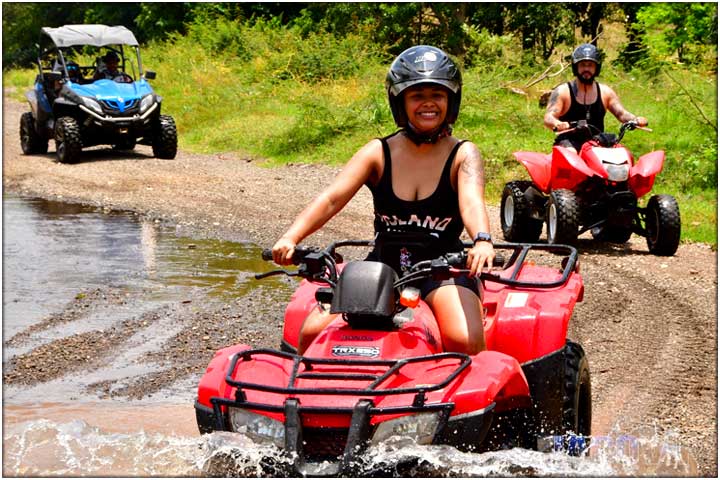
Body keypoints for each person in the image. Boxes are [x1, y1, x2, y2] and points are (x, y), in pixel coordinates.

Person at [271, 45, 495, 355]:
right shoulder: (378, 151)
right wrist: (290, 237)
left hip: (443, 269)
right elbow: (332, 198)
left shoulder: (463, 153)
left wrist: (482, 240)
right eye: (417, 96)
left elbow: (471, 202)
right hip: (381, 265)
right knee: (310, 334)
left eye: (437, 95)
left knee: (463, 339)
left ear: (451, 101)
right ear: (400, 101)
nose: (428, 103)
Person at [544, 43, 648, 151]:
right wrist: (558, 124)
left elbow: (621, 113)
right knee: (572, 154)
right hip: (568, 142)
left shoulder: (605, 92)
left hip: (597, 142)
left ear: (596, 68)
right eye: (582, 65)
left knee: (621, 155)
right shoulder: (563, 91)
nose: (586, 69)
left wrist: (635, 120)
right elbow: (549, 116)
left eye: (590, 65)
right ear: (576, 67)